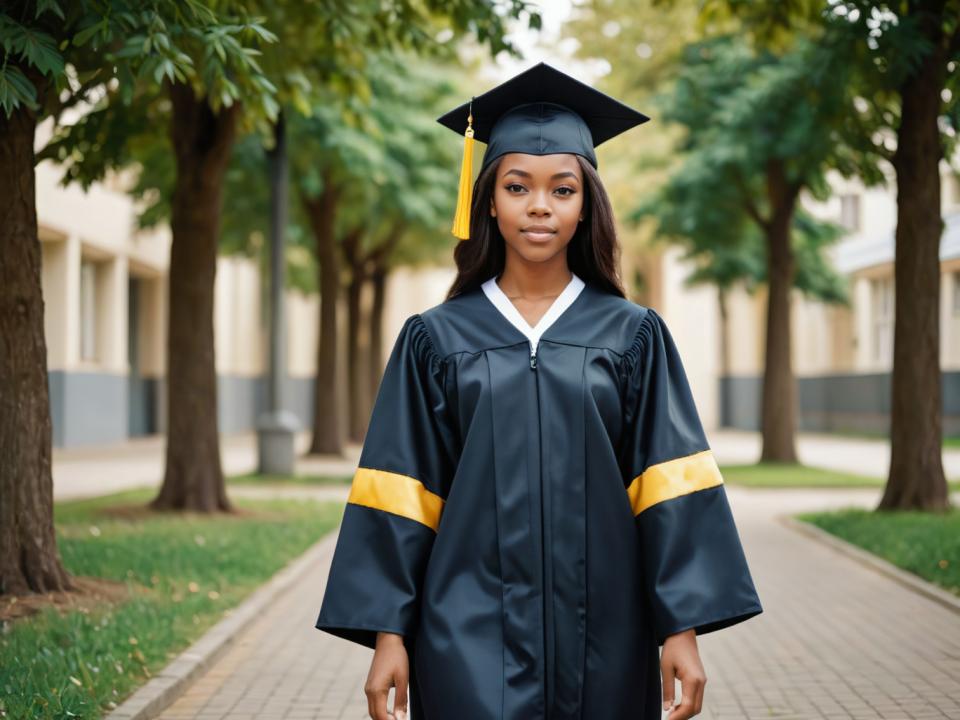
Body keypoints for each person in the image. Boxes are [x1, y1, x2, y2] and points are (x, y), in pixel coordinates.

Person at [315, 62, 763, 720]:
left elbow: (667, 483)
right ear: (489, 199)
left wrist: (682, 629)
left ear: (586, 207)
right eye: (518, 186)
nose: (540, 207)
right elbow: (403, 487)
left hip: (605, 631)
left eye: (563, 189)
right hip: (463, 631)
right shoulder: (436, 339)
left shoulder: (632, 335)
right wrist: (388, 634)